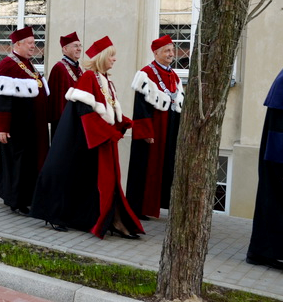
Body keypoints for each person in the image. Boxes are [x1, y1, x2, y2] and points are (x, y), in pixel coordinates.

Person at [30, 36, 144, 239]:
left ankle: (112, 219)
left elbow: (106, 111)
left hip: (98, 141)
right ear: (102, 57)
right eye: (112, 56)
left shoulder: (105, 80)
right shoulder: (89, 78)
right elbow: (86, 112)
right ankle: (59, 216)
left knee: (104, 182)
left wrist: (124, 122)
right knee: (69, 177)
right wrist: (110, 133)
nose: (115, 59)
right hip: (80, 142)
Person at [0, 26, 49, 215]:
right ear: (18, 44)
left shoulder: (27, 63)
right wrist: (2, 128)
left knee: (28, 163)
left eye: (34, 43)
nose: (33, 46)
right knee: (18, 164)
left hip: (31, 125)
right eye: (29, 43)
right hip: (17, 126)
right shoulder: (7, 64)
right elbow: (1, 100)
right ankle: (17, 202)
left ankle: (25, 197)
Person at [126, 35, 184, 220]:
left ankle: (159, 205)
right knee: (145, 169)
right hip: (152, 132)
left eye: (172, 50)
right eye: (166, 50)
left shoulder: (174, 76)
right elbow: (140, 107)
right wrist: (146, 132)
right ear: (156, 52)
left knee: (166, 167)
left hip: (169, 130)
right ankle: (138, 208)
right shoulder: (146, 74)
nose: (171, 54)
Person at [246, 68, 283, 270]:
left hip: (277, 153)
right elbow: (278, 128)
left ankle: (264, 252)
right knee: (273, 203)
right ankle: (266, 253)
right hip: (277, 156)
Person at [47, 32, 83, 138]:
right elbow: (56, 102)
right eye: (75, 46)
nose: (79, 49)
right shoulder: (59, 68)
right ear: (65, 49)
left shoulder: (78, 69)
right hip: (64, 123)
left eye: (80, 45)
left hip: (77, 120)